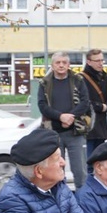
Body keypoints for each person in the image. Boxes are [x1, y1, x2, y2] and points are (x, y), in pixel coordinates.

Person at [37, 51, 90, 189]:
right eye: (58, 62)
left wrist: (70, 116)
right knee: (54, 171)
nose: (61, 65)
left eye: (64, 62)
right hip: (53, 134)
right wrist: (60, 116)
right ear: (52, 65)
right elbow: (42, 105)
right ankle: (60, 199)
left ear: (69, 65)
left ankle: (82, 203)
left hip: (75, 132)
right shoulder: (44, 83)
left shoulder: (78, 80)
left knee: (80, 171)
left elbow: (85, 102)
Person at [79, 49, 107, 174]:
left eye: (102, 60)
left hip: (101, 123)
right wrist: (101, 107)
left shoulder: (103, 76)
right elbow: (84, 101)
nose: (101, 63)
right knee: (89, 161)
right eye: (97, 60)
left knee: (100, 160)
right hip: (88, 125)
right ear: (89, 62)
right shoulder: (81, 79)